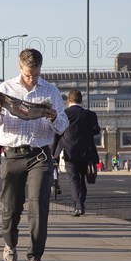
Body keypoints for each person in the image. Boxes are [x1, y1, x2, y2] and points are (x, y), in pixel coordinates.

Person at [0, 48, 68, 261]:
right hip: (12, 154)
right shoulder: (5, 89)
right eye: (27, 74)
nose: (31, 78)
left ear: (40, 69)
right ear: (20, 68)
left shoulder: (50, 91)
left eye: (35, 74)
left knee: (38, 205)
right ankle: (10, 243)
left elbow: (62, 125)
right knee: (11, 207)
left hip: (39, 155)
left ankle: (35, 257)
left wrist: (54, 118)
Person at [53, 89, 100, 217]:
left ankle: (78, 206)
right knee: (83, 180)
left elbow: (57, 134)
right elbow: (97, 131)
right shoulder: (91, 115)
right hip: (87, 152)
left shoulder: (64, 114)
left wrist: (54, 153)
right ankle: (81, 203)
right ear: (81, 100)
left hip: (70, 152)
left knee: (74, 180)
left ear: (68, 101)